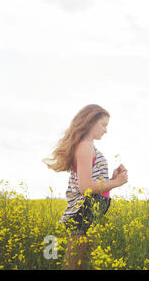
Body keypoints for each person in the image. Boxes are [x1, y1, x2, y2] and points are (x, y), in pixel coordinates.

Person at [43, 104, 128, 269]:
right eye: (103, 125)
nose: (106, 130)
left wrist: (112, 178)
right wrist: (116, 183)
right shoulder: (85, 146)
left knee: (82, 264)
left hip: (88, 210)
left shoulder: (88, 146)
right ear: (90, 122)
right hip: (83, 211)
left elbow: (92, 181)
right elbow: (85, 187)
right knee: (74, 264)